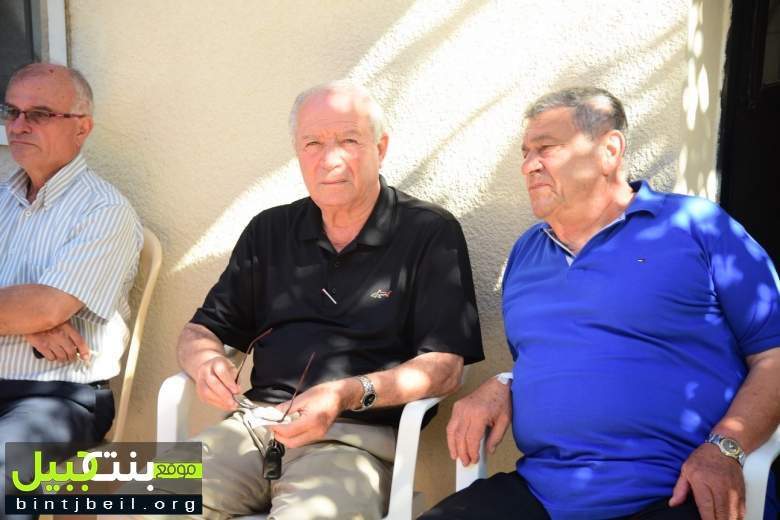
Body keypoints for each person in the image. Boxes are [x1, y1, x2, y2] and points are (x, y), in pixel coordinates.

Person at [423, 87, 780, 520]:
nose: (529, 165)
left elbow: (773, 355)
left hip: (677, 490)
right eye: (525, 153)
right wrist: (502, 383)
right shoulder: (526, 253)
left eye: (546, 148)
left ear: (609, 151)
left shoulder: (696, 227)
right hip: (544, 493)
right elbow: (557, 359)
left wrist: (725, 447)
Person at [164, 81, 483, 519]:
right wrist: (206, 364)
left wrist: (345, 394)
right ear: (298, 153)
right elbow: (201, 331)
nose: (330, 159)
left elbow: (445, 369)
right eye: (313, 143)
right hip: (251, 431)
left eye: (348, 141)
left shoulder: (428, 232)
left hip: (351, 443)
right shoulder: (269, 231)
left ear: (380, 148)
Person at [0, 63, 142, 516]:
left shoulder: (104, 212)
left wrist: (38, 315)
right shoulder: (1, 199)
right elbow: (36, 312)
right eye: (11, 111)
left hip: (55, 399)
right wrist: (24, 323)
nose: (18, 125)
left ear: (82, 128)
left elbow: (47, 307)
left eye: (39, 114)